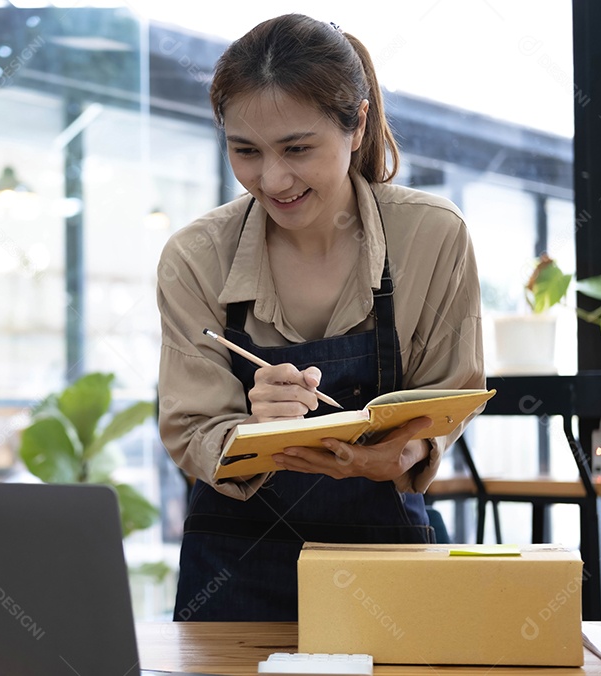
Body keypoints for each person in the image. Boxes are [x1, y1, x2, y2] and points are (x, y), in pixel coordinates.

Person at [156, 13, 484, 622]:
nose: (272, 179)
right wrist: (251, 432)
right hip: (233, 567)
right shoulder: (195, 258)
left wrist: (404, 454)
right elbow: (191, 430)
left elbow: (449, 398)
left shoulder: (433, 236)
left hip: (384, 562)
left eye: (297, 149)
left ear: (357, 123)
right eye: (245, 151)